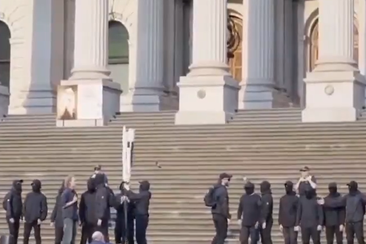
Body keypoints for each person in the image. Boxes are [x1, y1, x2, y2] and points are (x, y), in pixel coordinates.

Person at [23, 179, 48, 244]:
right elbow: (24, 206)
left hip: (37, 220)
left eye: (35, 185)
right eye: (32, 185)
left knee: (37, 236)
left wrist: (41, 218)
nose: (33, 186)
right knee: (26, 235)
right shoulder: (29, 195)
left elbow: (44, 209)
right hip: (28, 218)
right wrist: (23, 215)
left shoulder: (42, 197)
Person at [95, 173, 114, 242]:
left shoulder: (101, 190)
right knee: (103, 235)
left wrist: (100, 217)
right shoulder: (104, 189)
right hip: (104, 216)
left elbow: (102, 204)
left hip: (102, 218)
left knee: (102, 235)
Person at [3, 179, 23, 244]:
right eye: (18, 184)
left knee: (16, 233)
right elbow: (8, 205)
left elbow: (20, 205)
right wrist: (10, 216)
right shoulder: (11, 193)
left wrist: (21, 216)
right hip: (11, 216)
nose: (19, 185)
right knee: (12, 232)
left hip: (17, 216)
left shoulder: (18, 194)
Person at [61, 176, 78, 244]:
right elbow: (63, 205)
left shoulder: (74, 192)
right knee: (68, 237)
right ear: (70, 182)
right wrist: (73, 201)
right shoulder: (66, 192)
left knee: (73, 237)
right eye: (74, 181)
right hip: (68, 217)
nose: (75, 182)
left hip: (74, 216)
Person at [80, 178, 97, 244]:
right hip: (89, 222)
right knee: (87, 239)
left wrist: (82, 220)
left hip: (89, 221)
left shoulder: (85, 195)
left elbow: (81, 209)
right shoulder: (85, 195)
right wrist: (82, 220)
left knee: (87, 239)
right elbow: (82, 209)